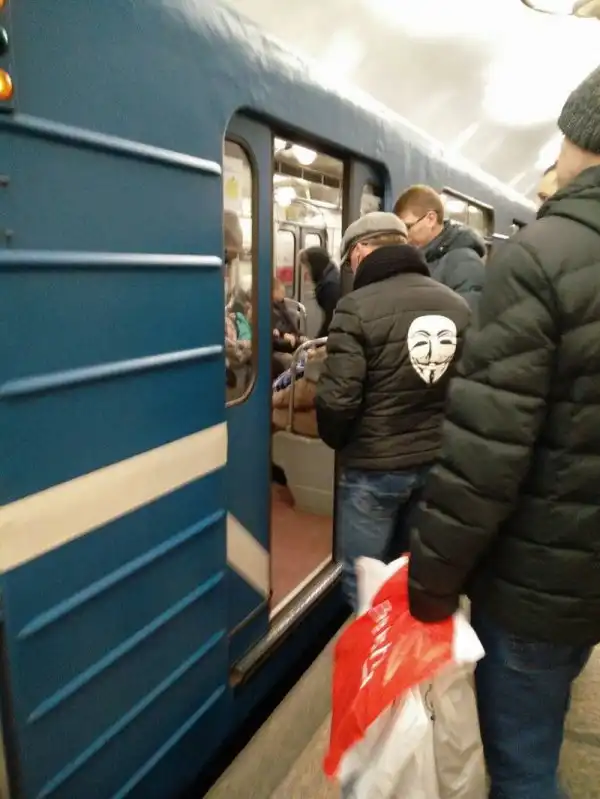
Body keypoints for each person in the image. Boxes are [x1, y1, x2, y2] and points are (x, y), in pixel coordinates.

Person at [407, 64, 600, 799]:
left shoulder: (539, 259)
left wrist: (431, 587)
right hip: (582, 579)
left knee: (521, 766)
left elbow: (483, 457)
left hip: (534, 583)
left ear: (584, 139)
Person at [315, 212, 470, 608]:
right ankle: (403, 644)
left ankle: (371, 643)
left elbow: (338, 400)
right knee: (410, 571)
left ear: (360, 252)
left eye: (349, 260)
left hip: (374, 468)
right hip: (435, 462)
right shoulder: (456, 305)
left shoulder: (354, 308)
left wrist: (341, 441)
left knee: (364, 580)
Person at [393, 185, 486, 310]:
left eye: (408, 227)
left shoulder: (464, 262)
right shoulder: (421, 259)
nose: (405, 235)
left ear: (431, 219)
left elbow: (469, 314)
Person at [299, 246, 341, 337]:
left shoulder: (330, 285)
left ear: (315, 265)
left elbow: (332, 319)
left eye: (307, 267)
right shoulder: (330, 276)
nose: (305, 271)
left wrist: (317, 341)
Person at [272, 278, 305, 377]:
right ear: (273, 292)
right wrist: (287, 337)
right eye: (281, 292)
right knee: (289, 359)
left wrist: (299, 336)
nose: (284, 295)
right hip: (275, 348)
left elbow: (291, 327)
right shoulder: (268, 310)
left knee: (306, 353)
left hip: (286, 343)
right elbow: (275, 334)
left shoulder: (281, 307)